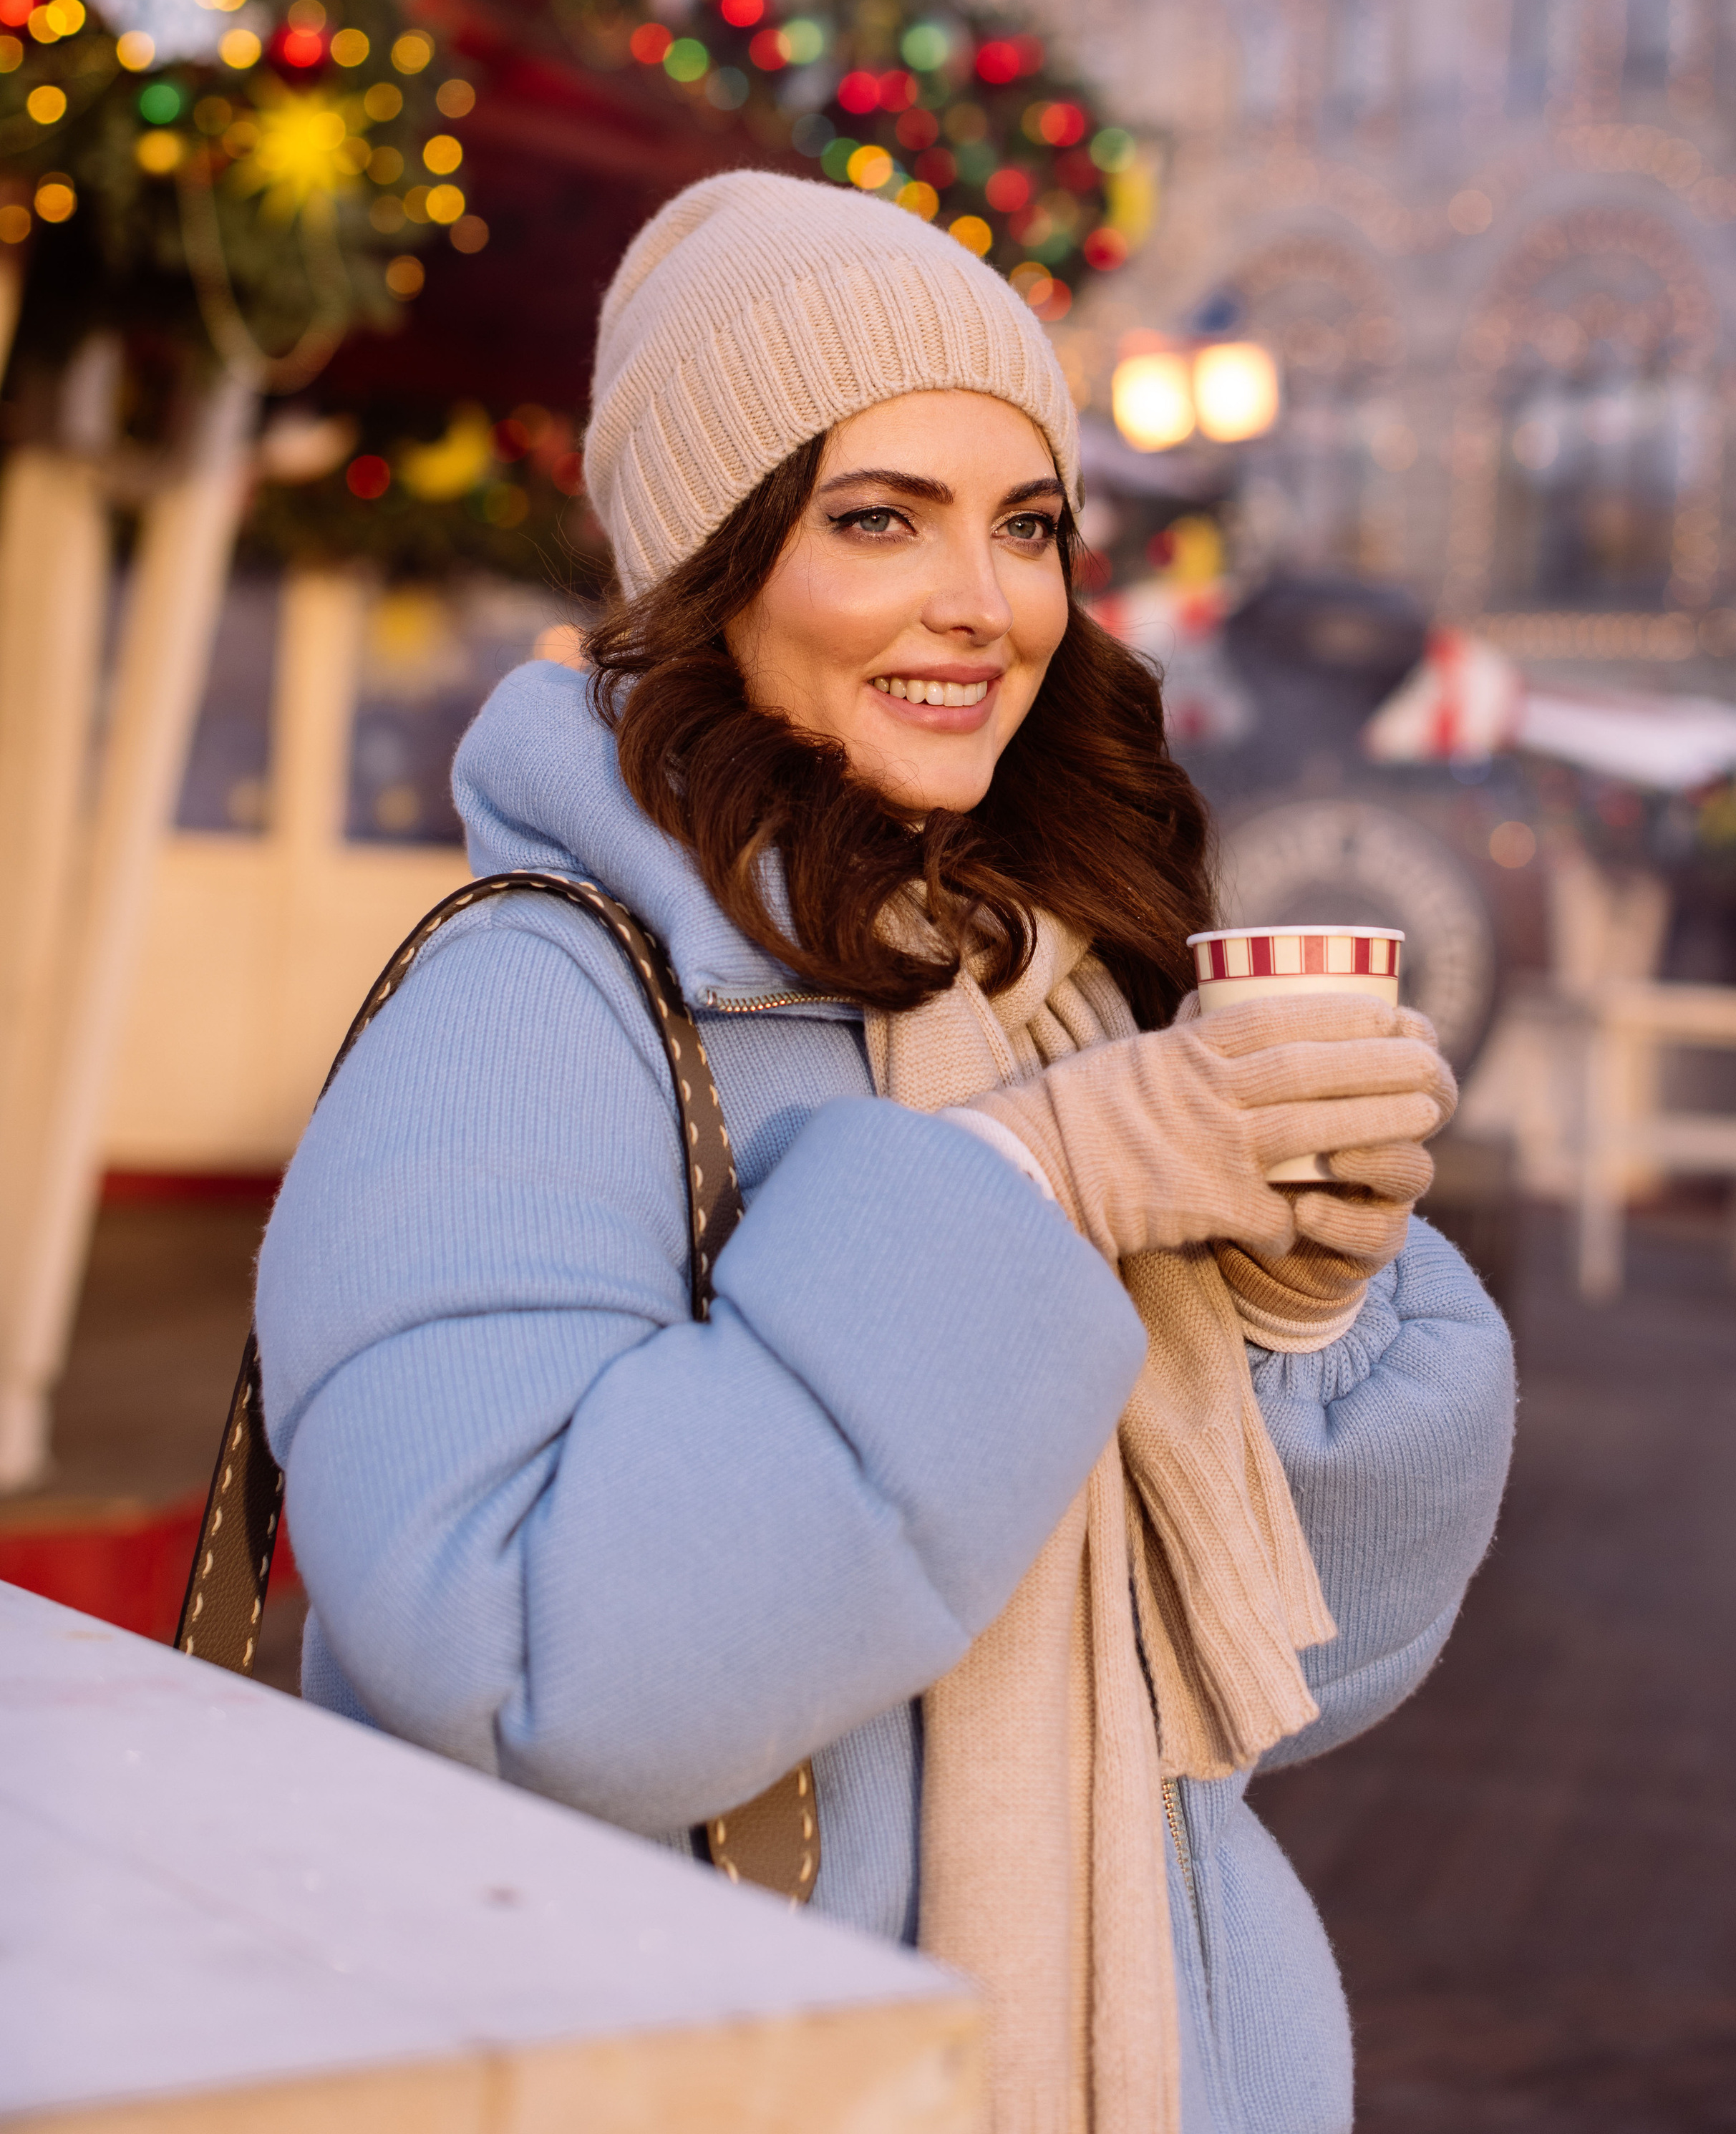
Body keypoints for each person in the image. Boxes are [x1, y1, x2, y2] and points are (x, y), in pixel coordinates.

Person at [258, 171, 1514, 2134]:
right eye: (877, 518)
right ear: (713, 562)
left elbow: (1280, 1684)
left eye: (1025, 525)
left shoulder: (1067, 989)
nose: (986, 603)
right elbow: (525, 1665)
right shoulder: (530, 1005)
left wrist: (1306, 1316)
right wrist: (1025, 1196)